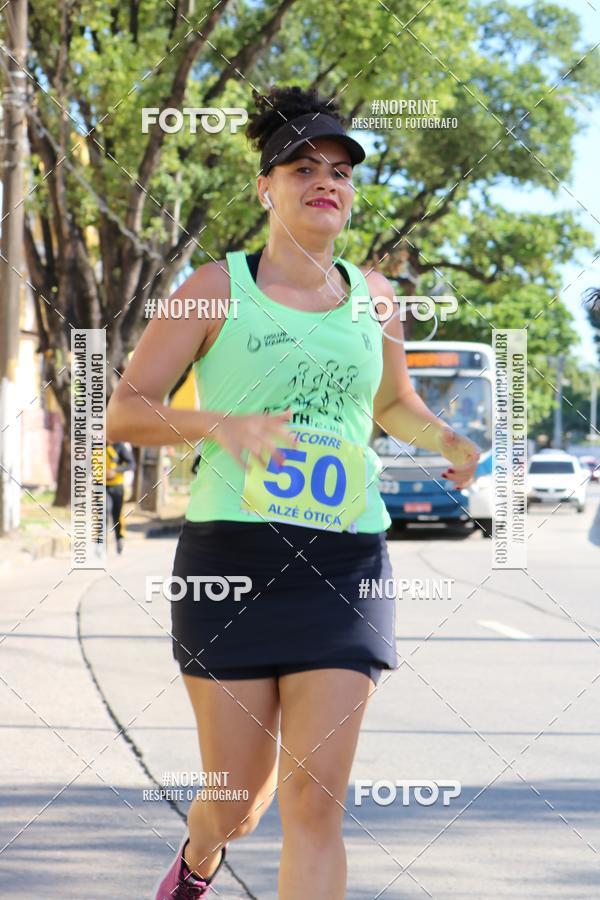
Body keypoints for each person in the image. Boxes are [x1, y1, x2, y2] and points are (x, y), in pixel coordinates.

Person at [107, 84, 480, 900]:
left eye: (342, 170)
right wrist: (220, 426)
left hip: (345, 563)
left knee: (316, 801)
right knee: (238, 801)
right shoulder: (215, 284)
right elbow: (125, 413)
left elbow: (390, 405)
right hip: (230, 564)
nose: (327, 181)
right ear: (265, 186)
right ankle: (200, 860)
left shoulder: (377, 296)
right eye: (304, 166)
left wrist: (445, 438)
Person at [105, 440, 135, 554]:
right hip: (101, 486)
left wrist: (116, 470)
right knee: (103, 511)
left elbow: (131, 464)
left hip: (117, 486)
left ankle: (119, 539)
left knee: (117, 515)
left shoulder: (119, 446)